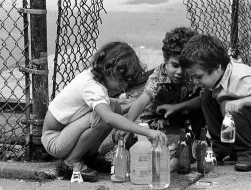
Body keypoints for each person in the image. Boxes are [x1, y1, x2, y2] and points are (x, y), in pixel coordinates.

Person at [41, 42, 167, 181]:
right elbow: (109, 118)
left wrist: (139, 104)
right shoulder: (93, 87)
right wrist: (148, 132)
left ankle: (89, 157)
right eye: (122, 80)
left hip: (66, 133)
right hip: (54, 140)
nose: (124, 86)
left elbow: (119, 108)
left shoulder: (95, 77)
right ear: (109, 70)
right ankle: (71, 162)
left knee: (110, 106)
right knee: (102, 116)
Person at [157, 34, 251, 172]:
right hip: (239, 124)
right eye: (192, 77)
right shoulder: (217, 77)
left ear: (217, 67)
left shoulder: (240, 76)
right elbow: (201, 102)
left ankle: (249, 152)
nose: (195, 82)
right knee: (206, 97)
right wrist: (177, 107)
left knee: (228, 105)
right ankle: (222, 146)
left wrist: (241, 102)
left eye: (198, 77)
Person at [120, 27, 204, 142]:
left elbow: (203, 98)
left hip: (177, 113)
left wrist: (176, 107)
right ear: (166, 60)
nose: (179, 72)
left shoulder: (193, 73)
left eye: (185, 67)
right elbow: (142, 101)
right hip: (155, 121)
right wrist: (127, 126)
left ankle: (197, 139)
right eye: (174, 65)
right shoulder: (159, 76)